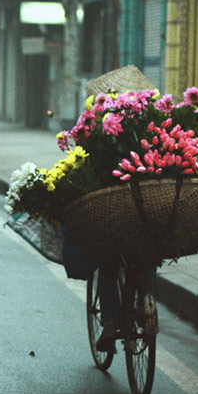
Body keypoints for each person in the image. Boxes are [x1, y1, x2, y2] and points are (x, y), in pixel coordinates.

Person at [65, 66, 159, 353]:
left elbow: (85, 163)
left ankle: (108, 324)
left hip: (113, 208)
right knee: (146, 257)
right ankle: (146, 299)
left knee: (107, 262)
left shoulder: (96, 126)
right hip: (146, 207)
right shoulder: (152, 122)